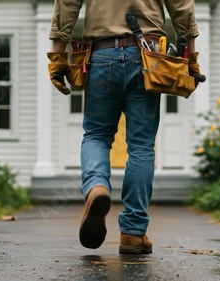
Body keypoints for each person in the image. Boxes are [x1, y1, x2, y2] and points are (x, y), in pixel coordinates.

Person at [47, 0, 201, 254]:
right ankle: (133, 232)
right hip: (148, 56)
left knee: (97, 134)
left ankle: (97, 187)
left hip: (101, 54)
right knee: (141, 146)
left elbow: (67, 3)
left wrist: (57, 55)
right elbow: (182, 5)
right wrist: (191, 56)